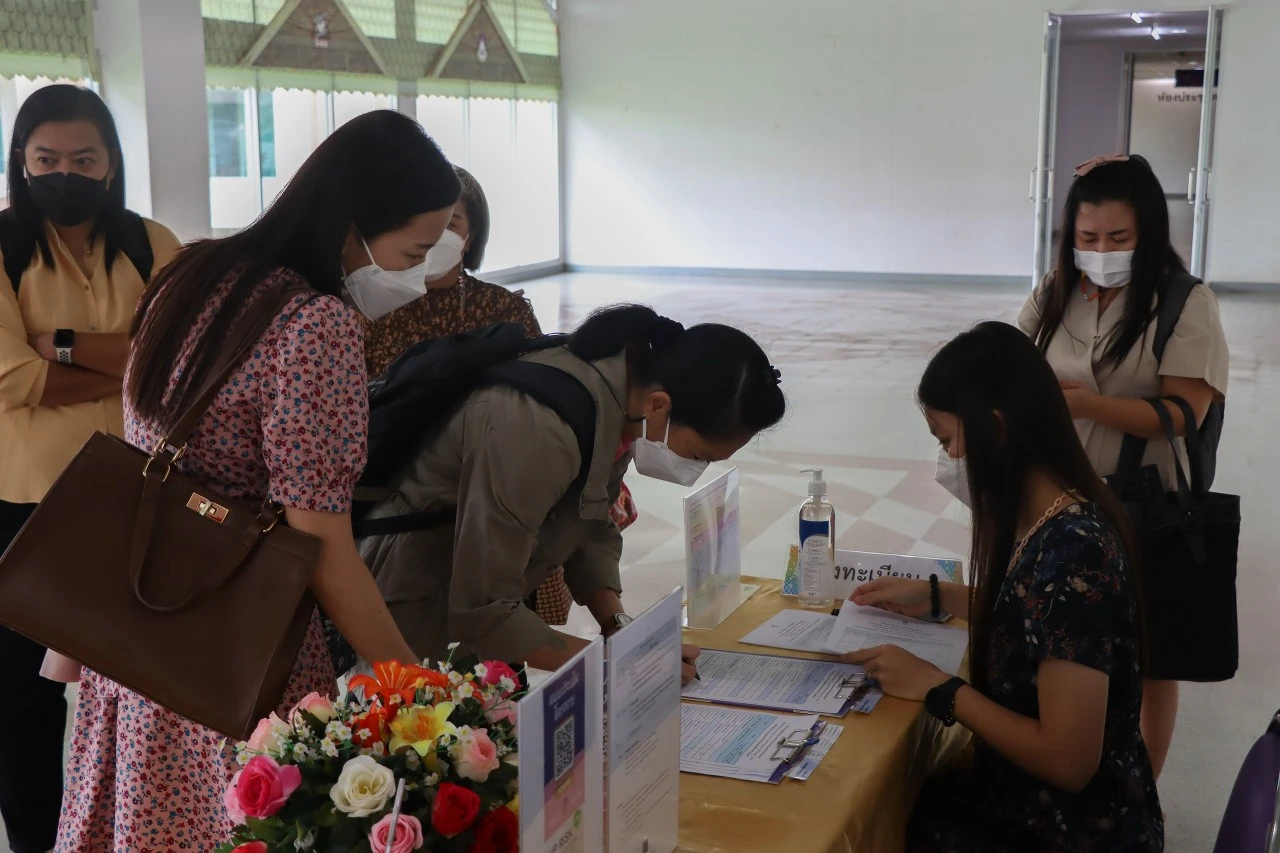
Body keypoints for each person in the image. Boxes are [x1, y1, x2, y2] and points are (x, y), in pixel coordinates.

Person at [54, 110, 459, 851]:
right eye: (416, 251)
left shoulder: (193, 272)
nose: (420, 277)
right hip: (229, 646)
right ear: (353, 228)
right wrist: (414, 683)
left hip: (139, 629)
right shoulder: (315, 326)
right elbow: (323, 545)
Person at [844, 322, 1162, 851]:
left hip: (1071, 829)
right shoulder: (1045, 517)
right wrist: (938, 596)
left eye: (946, 440)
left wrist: (936, 686)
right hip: (1023, 801)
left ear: (995, 428)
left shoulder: (1074, 550)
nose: (946, 460)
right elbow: (1043, 620)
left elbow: (1068, 761)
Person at [358, 304, 786, 683]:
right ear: (660, 406)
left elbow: (591, 526)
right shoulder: (539, 429)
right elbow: (483, 610)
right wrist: (617, 663)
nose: (695, 468)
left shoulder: (622, 396)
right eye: (698, 454)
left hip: (471, 587)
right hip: (415, 599)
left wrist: (621, 629)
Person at [0, 84, 181, 853]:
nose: (64, 172)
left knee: (147, 693)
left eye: (83, 158)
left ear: (111, 165)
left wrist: (61, 343)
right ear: (20, 162)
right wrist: (131, 360)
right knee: (24, 705)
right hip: (26, 509)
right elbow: (10, 382)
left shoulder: (153, 243)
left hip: (143, 503)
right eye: (46, 159)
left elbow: (182, 358)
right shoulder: (2, 246)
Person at [1015, 153, 1229, 779]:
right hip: (1058, 499)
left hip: (1145, 500)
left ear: (1149, 234)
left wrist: (1095, 406)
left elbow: (1184, 412)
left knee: (1150, 657)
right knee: (1063, 641)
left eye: (1118, 238)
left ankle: (1143, 790)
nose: (1101, 250)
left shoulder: (1183, 302)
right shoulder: (1056, 292)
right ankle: (1066, 764)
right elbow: (1007, 356)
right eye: (1087, 238)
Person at [359, 166, 639, 630]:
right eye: (429, 221)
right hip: (404, 492)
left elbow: (544, 394)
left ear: (471, 238)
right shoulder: (370, 307)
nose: (437, 236)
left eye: (453, 224)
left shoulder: (504, 308)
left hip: (502, 485)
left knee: (500, 620)